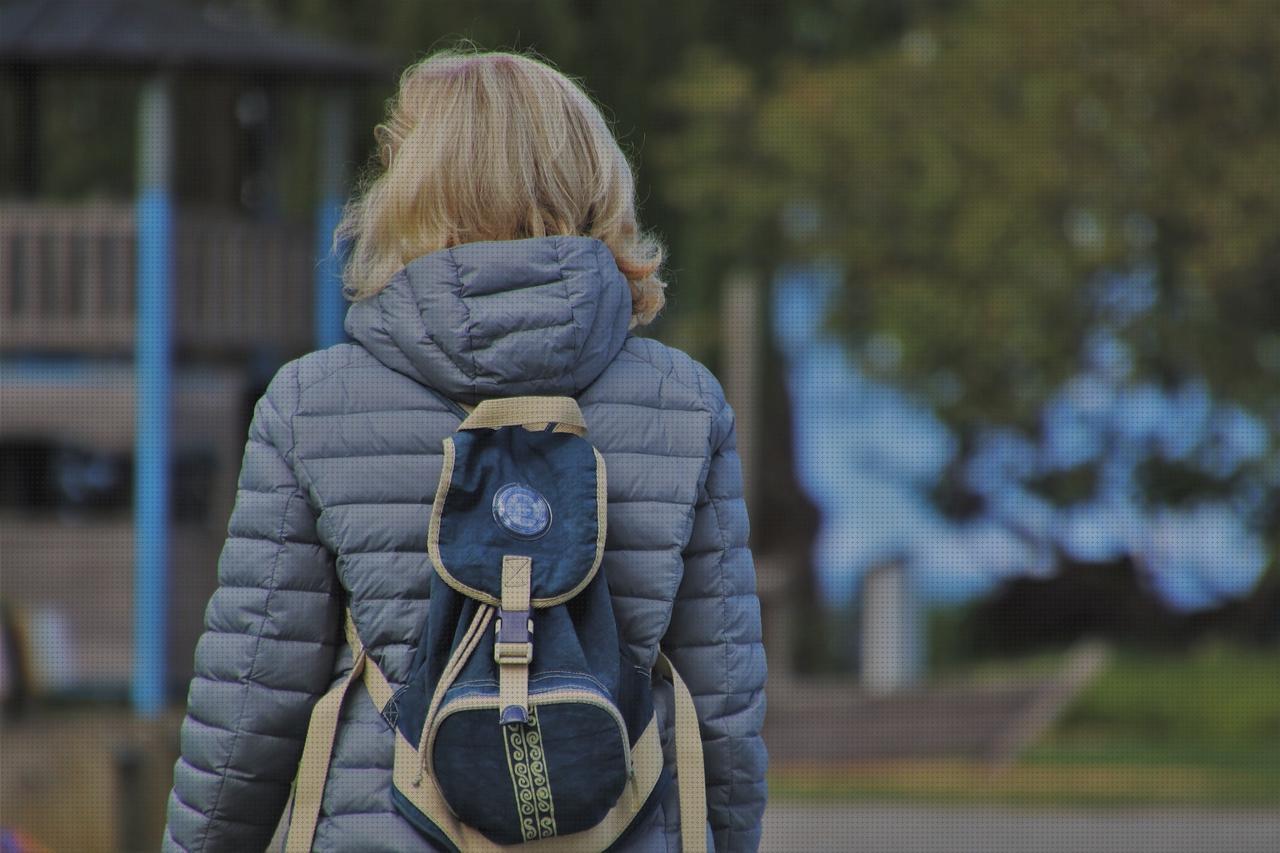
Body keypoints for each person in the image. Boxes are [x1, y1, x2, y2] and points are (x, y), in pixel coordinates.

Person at [162, 47, 767, 852]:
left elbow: (249, 703)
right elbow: (722, 709)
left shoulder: (310, 405)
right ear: (593, 178)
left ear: (412, 186)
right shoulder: (685, 404)